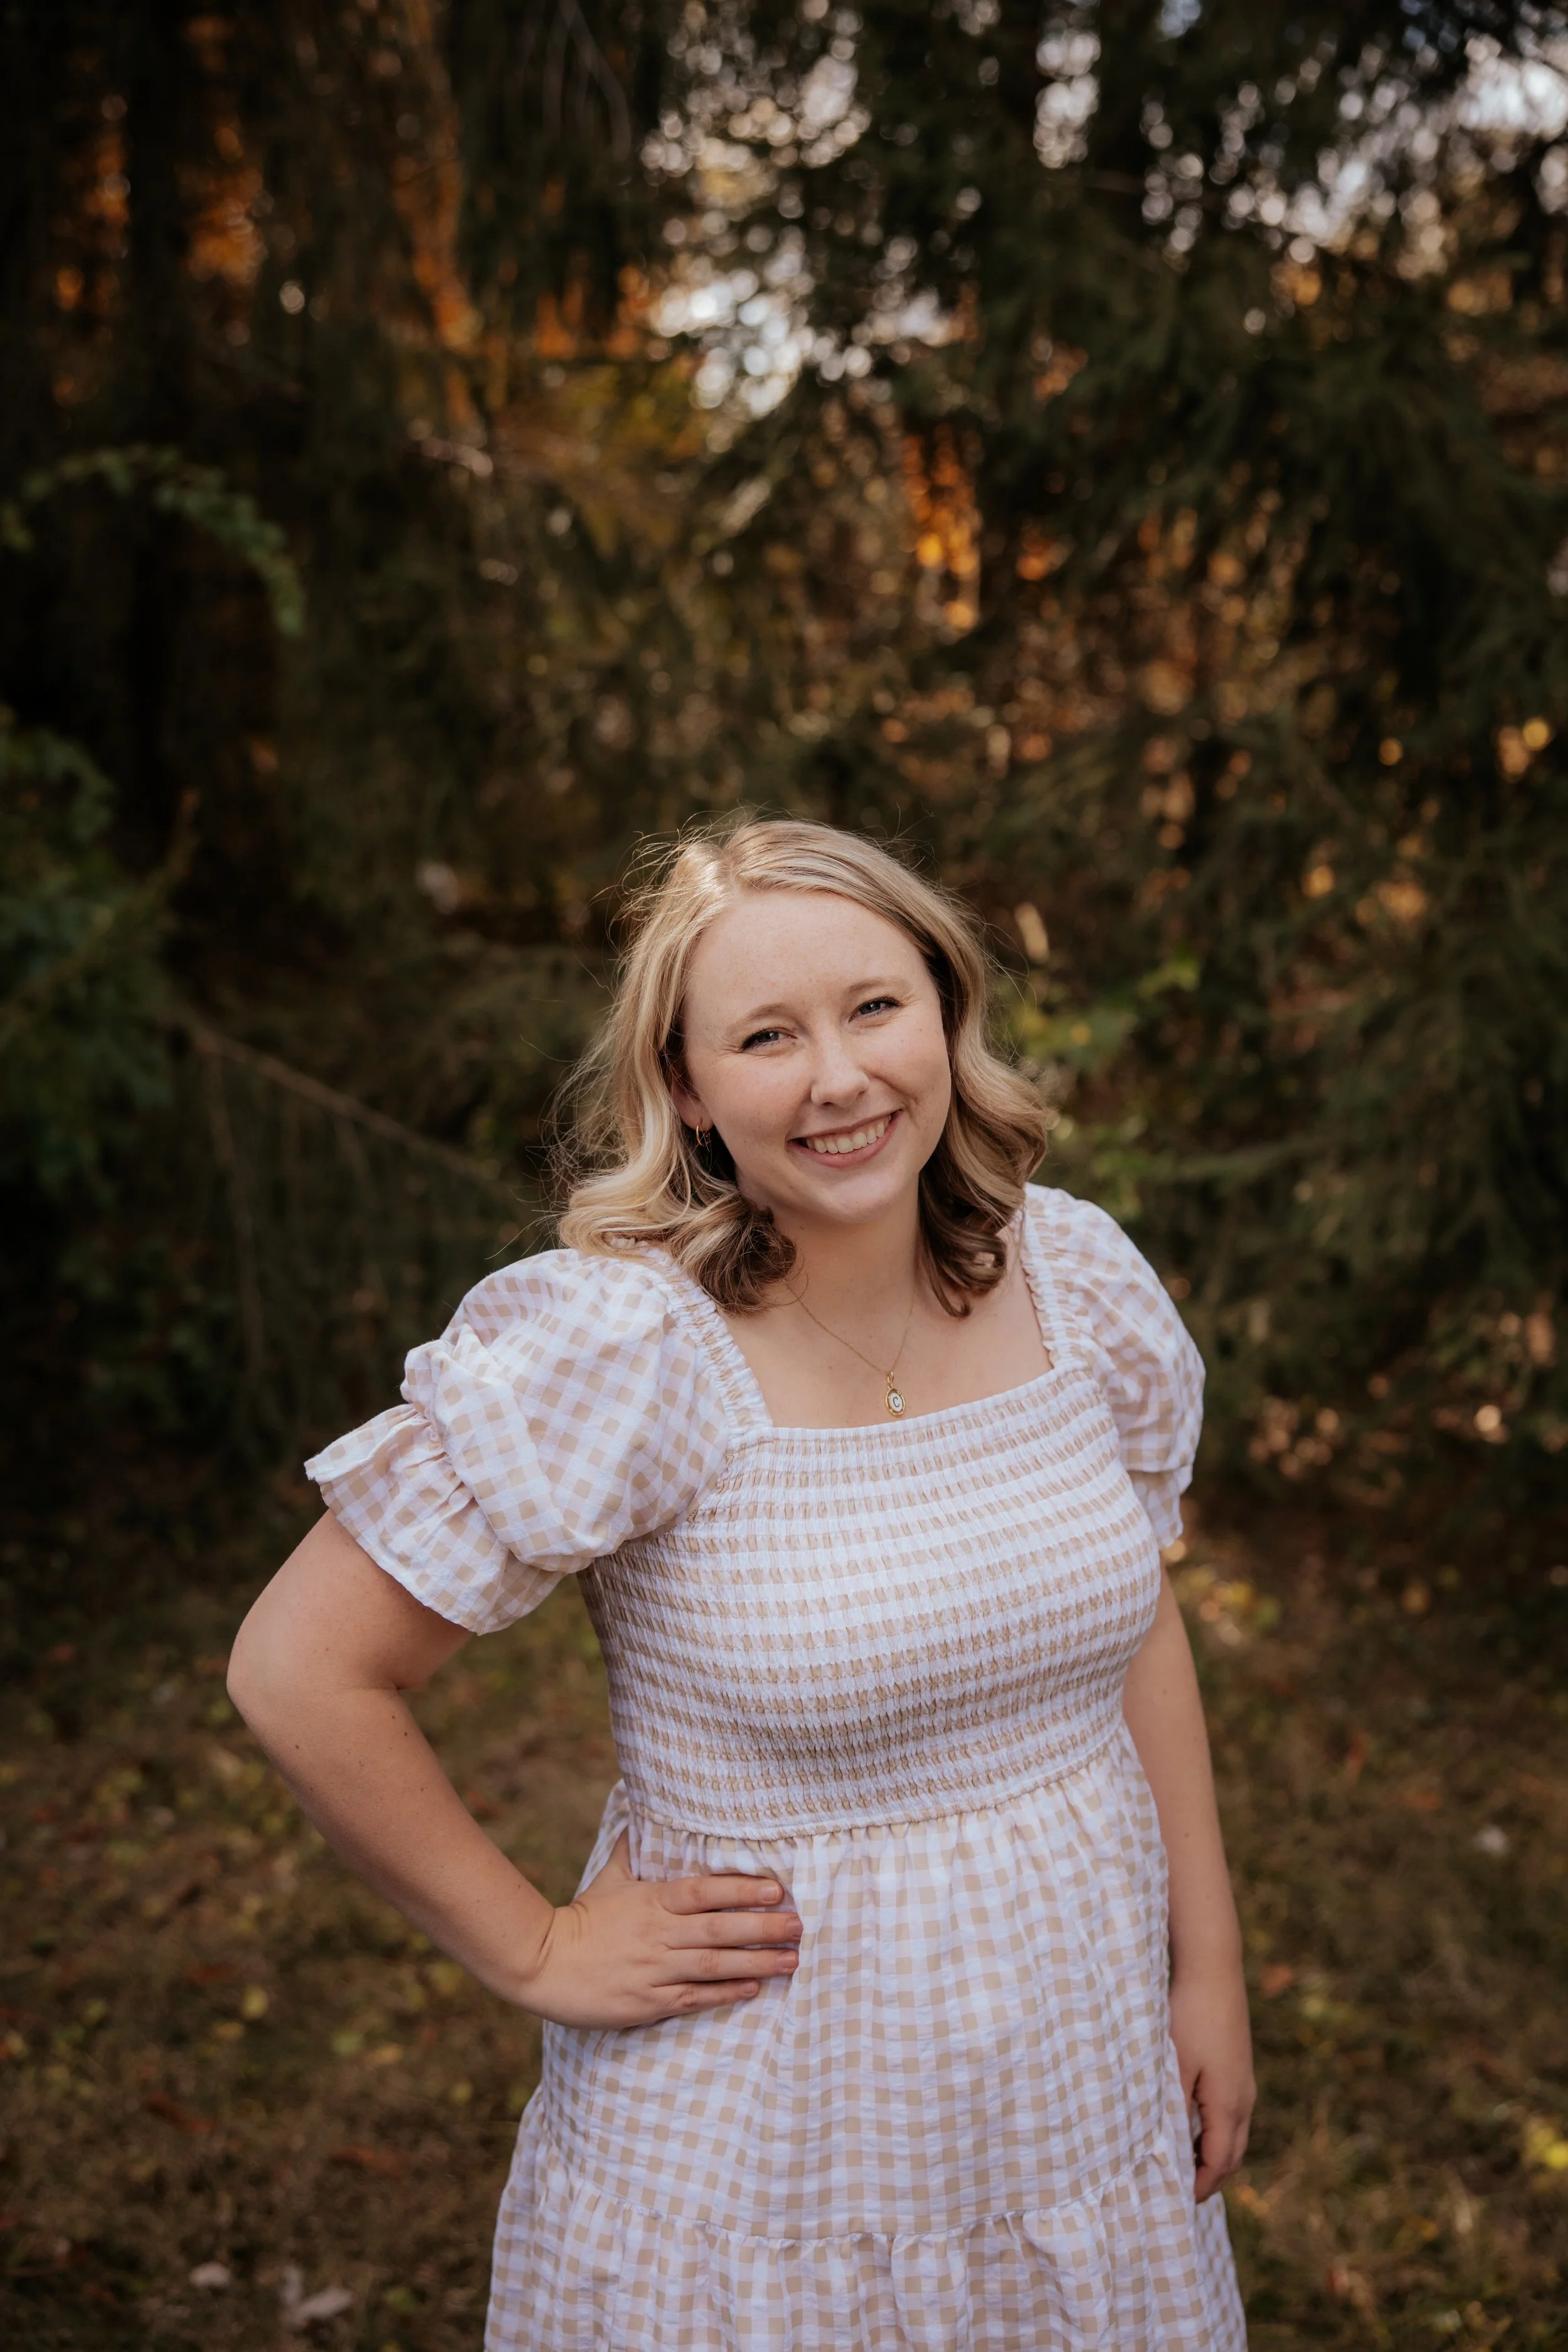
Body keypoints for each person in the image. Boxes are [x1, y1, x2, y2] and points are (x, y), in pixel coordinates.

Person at [228, 817, 1253, 2349]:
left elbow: (1134, 1620)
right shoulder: (628, 1354)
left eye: (872, 1008)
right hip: (766, 2134)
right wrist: (535, 1945)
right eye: (765, 1037)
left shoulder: (1078, 1279)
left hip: (1070, 2074)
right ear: (689, 1091)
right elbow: (299, 1669)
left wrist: (1209, 1968)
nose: (837, 1078)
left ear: (945, 1013)